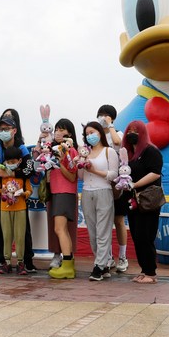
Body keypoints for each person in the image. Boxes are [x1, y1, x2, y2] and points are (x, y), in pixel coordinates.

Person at [0, 113, 37, 272]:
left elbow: (29, 170)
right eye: (0, 129)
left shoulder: (21, 148)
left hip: (19, 194)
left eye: (6, 129)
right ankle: (0, 259)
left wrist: (11, 174)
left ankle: (27, 260)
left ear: (14, 130)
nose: (3, 131)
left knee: (23, 229)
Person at [120, 120, 163, 284]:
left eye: (136, 131)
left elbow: (155, 173)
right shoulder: (129, 155)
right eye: (129, 131)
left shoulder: (151, 151)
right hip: (133, 201)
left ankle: (151, 273)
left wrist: (135, 184)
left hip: (148, 200)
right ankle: (144, 270)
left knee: (146, 235)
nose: (132, 134)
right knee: (137, 236)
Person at [79, 121, 120, 281]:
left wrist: (94, 170)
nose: (90, 136)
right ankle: (103, 264)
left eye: (92, 132)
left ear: (100, 133)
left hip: (104, 191)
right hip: (87, 192)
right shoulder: (85, 153)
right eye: (87, 134)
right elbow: (81, 177)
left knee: (103, 230)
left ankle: (98, 266)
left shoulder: (109, 151)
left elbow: (114, 175)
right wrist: (80, 164)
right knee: (92, 232)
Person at [46, 119, 79, 280]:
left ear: (70, 134)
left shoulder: (70, 151)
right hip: (56, 192)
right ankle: (69, 263)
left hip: (64, 192)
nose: (58, 132)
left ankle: (66, 265)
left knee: (59, 229)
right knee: (62, 229)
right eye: (57, 129)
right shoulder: (55, 149)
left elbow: (72, 176)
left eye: (62, 130)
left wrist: (60, 163)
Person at [97, 104, 129, 273]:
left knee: (118, 220)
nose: (102, 118)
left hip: (117, 184)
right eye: (100, 115)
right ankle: (107, 257)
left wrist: (110, 126)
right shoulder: (97, 136)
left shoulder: (118, 133)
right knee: (104, 222)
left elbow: (117, 143)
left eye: (105, 115)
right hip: (102, 183)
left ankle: (122, 257)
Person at [0, 146, 32, 275]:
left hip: (20, 208)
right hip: (4, 209)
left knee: (20, 236)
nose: (10, 165)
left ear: (19, 161)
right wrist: (2, 192)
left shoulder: (22, 175)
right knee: (7, 235)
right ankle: (7, 262)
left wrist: (23, 194)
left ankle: (21, 262)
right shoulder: (1, 175)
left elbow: (29, 190)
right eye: (8, 162)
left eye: (13, 162)